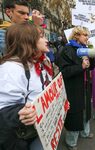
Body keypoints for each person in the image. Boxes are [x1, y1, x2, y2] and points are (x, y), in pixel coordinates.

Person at [0, 22, 51, 150]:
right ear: (28, 40)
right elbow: (4, 108)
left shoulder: (39, 62)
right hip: (21, 137)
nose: (46, 40)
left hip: (39, 130)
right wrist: (20, 113)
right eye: (41, 36)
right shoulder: (12, 68)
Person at [56, 26, 95, 150]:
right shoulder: (67, 49)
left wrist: (92, 54)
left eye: (87, 35)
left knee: (86, 110)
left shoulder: (85, 49)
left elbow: (91, 67)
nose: (87, 38)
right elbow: (64, 72)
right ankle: (71, 142)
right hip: (73, 88)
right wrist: (81, 67)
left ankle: (85, 133)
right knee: (74, 113)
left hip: (85, 86)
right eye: (85, 35)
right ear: (77, 36)